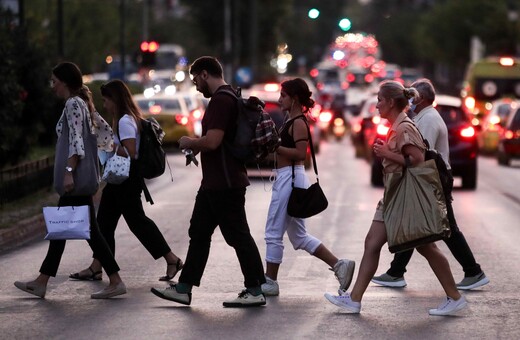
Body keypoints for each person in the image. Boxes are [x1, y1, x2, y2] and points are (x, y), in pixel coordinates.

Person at [324, 80, 468, 316]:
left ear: (391, 102)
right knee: (373, 243)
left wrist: (387, 153)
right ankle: (354, 299)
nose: (377, 105)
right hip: (394, 194)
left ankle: (454, 296)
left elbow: (418, 160)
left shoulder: (404, 127)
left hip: (404, 196)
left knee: (426, 247)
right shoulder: (396, 125)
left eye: (380, 100)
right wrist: (388, 152)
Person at [150, 56, 266, 307]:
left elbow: (213, 141)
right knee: (199, 234)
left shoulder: (221, 101)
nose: (195, 86)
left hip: (224, 183)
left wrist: (191, 143)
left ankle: (255, 289)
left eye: (195, 80)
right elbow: (219, 141)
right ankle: (184, 288)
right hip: (215, 182)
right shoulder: (229, 97)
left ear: (205, 74)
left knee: (237, 235)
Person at [14, 62, 126, 299]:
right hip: (80, 180)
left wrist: (68, 170)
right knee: (66, 230)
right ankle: (42, 282)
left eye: (54, 81)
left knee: (77, 231)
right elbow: (104, 134)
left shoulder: (73, 103)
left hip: (74, 180)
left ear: (64, 82)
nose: (52, 86)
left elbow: (76, 140)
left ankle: (114, 280)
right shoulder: (82, 103)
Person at [372, 78, 489, 290]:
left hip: (433, 179)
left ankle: (473, 271)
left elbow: (419, 156)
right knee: (419, 226)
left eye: (413, 97)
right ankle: (396, 271)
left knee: (445, 229)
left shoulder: (426, 120)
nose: (410, 101)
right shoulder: (426, 117)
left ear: (422, 98)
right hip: (433, 177)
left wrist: (389, 154)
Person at [70, 79, 183, 282]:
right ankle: (97, 266)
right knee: (104, 223)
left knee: (137, 223)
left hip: (126, 181)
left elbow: (131, 152)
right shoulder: (128, 118)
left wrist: (110, 147)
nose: (105, 105)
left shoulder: (124, 120)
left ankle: (172, 259)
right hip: (120, 181)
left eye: (106, 100)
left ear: (115, 99)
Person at [261, 78, 355, 297]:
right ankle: (339, 265)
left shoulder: (299, 123)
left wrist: (276, 147)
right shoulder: (291, 120)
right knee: (299, 237)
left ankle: (270, 281)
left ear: (294, 99)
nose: (279, 99)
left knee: (273, 232)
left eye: (283, 96)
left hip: (290, 179)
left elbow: (300, 155)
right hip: (290, 178)